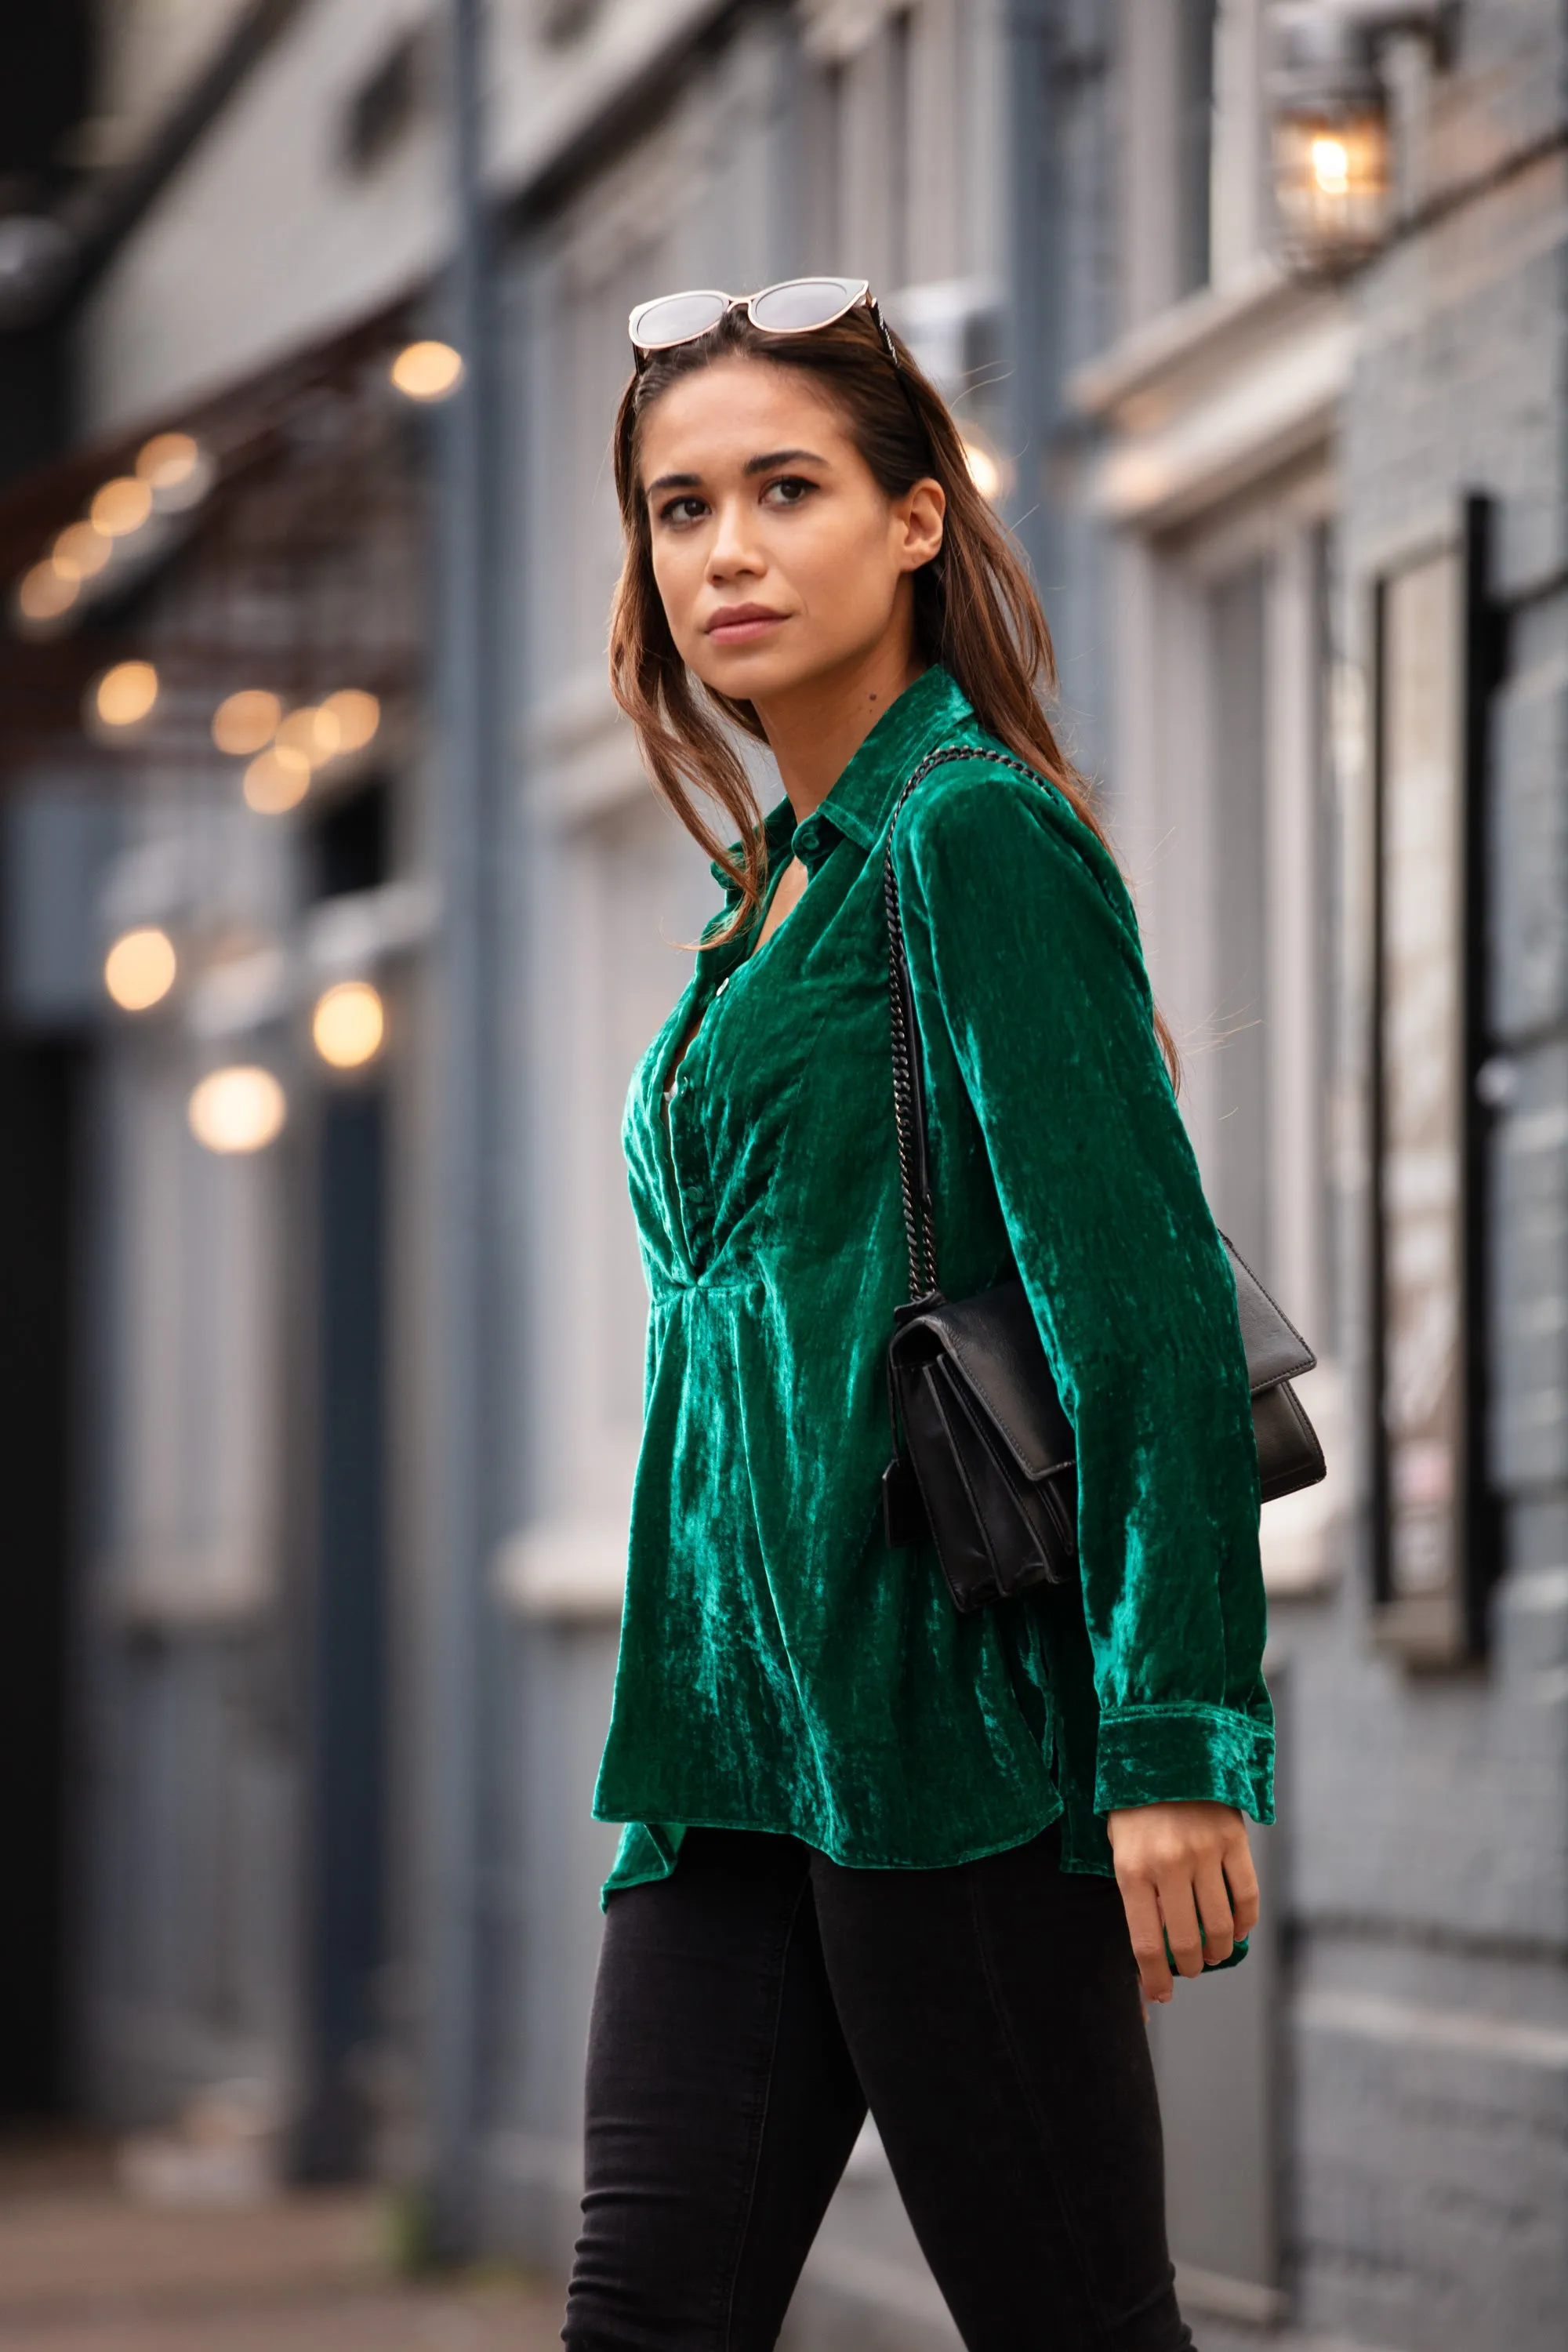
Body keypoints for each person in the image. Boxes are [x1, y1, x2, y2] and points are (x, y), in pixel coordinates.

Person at [561, 278, 1272, 2352]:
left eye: (786, 489)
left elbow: (1137, 1303)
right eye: (680, 511)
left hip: (948, 1746)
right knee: (646, 2316)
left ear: (916, 522)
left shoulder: (970, 839)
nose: (726, 553)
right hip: (721, 1751)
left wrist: (1174, 1743)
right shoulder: (769, 890)